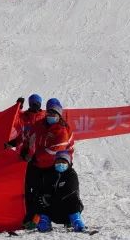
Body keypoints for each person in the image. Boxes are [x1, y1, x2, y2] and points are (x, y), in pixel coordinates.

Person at [20, 98, 74, 229]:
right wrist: (22, 148)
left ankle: (69, 218)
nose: (50, 116)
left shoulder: (62, 129)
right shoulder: (40, 125)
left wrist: (35, 157)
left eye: (54, 113)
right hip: (39, 164)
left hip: (57, 165)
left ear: (59, 115)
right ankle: (35, 219)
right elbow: (28, 136)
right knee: (35, 193)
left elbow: (54, 151)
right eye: (49, 113)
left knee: (59, 193)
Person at [33, 151, 86, 232]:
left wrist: (52, 199)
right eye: (58, 161)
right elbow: (44, 190)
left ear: (68, 163)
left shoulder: (71, 174)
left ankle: (77, 222)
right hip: (54, 210)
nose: (60, 164)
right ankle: (44, 223)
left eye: (63, 162)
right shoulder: (50, 174)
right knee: (41, 199)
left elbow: (69, 190)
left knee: (73, 198)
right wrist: (45, 198)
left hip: (68, 210)